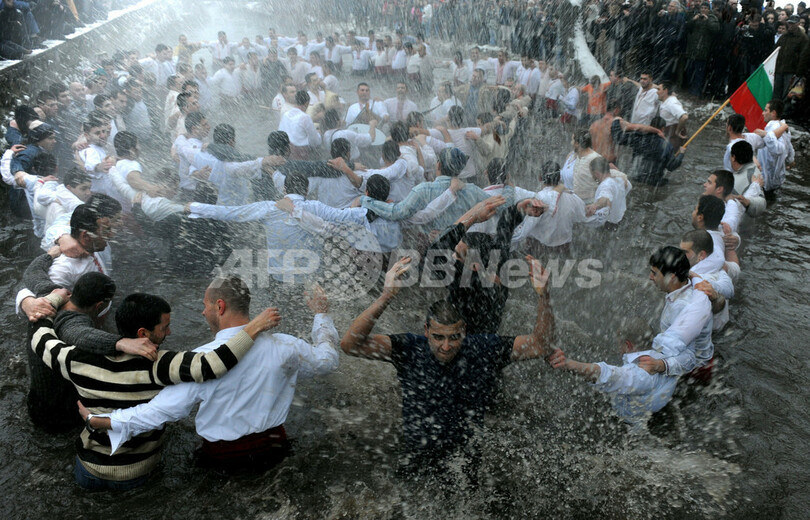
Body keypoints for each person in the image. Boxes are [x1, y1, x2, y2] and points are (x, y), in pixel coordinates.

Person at [29, 273, 281, 489]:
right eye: (165, 327)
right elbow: (214, 364)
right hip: (137, 472)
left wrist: (51, 301)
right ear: (143, 334)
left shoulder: (76, 360)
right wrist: (252, 328)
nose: (169, 332)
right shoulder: (160, 364)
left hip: (88, 470)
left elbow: (40, 338)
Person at [80, 276, 339, 472]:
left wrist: (102, 421)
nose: (203, 312)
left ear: (220, 306)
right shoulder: (286, 346)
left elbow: (160, 412)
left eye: (205, 305)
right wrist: (321, 314)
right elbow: (327, 361)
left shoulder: (201, 360)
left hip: (224, 459)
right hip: (275, 449)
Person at [339, 255, 556, 474]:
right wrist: (386, 296)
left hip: (464, 461)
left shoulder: (483, 349)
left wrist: (544, 296)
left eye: (454, 337)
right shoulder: (409, 348)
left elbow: (540, 345)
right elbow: (350, 344)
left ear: (464, 331)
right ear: (426, 331)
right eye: (438, 337)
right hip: (417, 457)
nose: (446, 346)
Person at [549, 317, 677, 429]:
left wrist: (568, 364)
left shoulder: (642, 373)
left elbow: (613, 375)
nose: (619, 350)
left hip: (639, 432)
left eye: (619, 345)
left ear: (628, 345)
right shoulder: (667, 360)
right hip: (663, 416)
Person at [636, 246, 713, 379]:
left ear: (671, 277)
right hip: (703, 357)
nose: (650, 277)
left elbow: (689, 358)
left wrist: (660, 365)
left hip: (695, 371)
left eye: (654, 273)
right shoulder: (686, 286)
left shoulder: (682, 306)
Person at [611, 115, 685, 186]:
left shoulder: (640, 138)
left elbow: (618, 138)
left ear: (650, 126)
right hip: (655, 182)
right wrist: (681, 154)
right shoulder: (667, 145)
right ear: (663, 129)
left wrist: (616, 121)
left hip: (637, 177)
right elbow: (671, 166)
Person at [751, 99, 793, 194]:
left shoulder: (774, 127)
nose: (762, 113)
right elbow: (789, 146)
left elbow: (778, 149)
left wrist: (766, 134)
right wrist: (791, 160)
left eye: (766, 110)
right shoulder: (783, 128)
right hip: (776, 180)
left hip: (766, 180)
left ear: (773, 113)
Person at [584, 157, 632, 230]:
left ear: (597, 173)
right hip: (620, 218)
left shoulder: (606, 185)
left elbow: (605, 198)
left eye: (592, 173)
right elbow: (629, 186)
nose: (592, 176)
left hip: (608, 222)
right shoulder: (620, 179)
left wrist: (595, 206)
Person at [278, 90, 322, 159]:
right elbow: (314, 142)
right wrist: (319, 134)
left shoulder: (285, 115)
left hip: (284, 153)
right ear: (307, 103)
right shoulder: (305, 117)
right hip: (300, 155)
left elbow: (280, 132)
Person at [571, 129, 602, 203]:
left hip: (590, 202)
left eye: (572, 140)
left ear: (577, 143)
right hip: (577, 200)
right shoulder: (578, 156)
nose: (571, 143)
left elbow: (606, 177)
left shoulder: (595, 158)